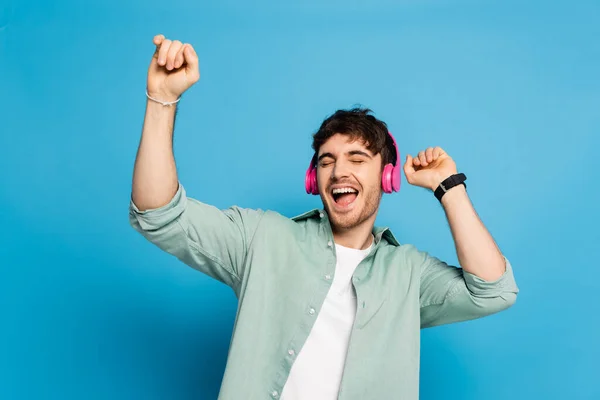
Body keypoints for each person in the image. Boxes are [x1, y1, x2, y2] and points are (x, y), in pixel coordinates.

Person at [129, 34, 519, 400]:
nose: (338, 171)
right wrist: (160, 100)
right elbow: (159, 214)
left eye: (357, 158)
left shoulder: (408, 273)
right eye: (327, 161)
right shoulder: (262, 238)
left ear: (387, 176)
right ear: (314, 179)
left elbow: (494, 290)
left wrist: (448, 187)